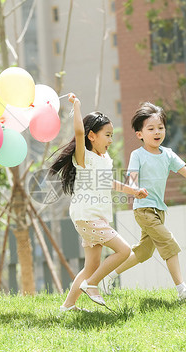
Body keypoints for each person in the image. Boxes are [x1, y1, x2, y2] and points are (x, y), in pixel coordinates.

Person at [102, 102, 186, 301]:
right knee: (168, 242)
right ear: (139, 134)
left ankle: (108, 277)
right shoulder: (137, 155)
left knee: (145, 252)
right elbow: (130, 180)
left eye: (160, 128)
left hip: (159, 211)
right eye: (151, 129)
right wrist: (136, 190)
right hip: (144, 210)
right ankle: (182, 290)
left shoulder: (168, 154)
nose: (157, 132)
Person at [49, 93, 148, 312]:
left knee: (91, 265)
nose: (111, 140)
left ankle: (68, 306)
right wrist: (77, 106)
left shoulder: (104, 159)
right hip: (88, 216)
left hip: (95, 217)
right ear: (91, 136)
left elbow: (108, 182)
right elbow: (77, 132)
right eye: (108, 135)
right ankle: (92, 285)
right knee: (123, 251)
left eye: (112, 135)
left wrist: (133, 190)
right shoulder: (83, 157)